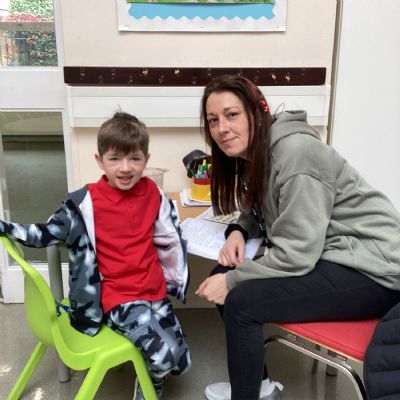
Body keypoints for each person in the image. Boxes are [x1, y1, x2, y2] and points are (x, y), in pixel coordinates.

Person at [195, 74, 400, 400]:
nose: (222, 128)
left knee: (240, 301)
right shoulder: (259, 152)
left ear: (257, 112)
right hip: (333, 254)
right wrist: (238, 231)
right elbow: (263, 207)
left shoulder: (296, 152)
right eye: (213, 120)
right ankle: (258, 387)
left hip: (373, 268)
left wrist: (233, 281)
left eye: (232, 115)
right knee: (222, 274)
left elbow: (298, 254)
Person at [0, 112, 191, 400]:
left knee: (181, 360)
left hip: (154, 291)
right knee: (164, 357)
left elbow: (169, 237)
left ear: (146, 159)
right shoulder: (83, 203)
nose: (125, 168)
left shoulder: (154, 193)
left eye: (135, 158)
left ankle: (152, 369)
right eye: (115, 158)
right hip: (119, 300)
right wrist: (5, 227)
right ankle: (149, 385)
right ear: (99, 161)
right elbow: (45, 234)